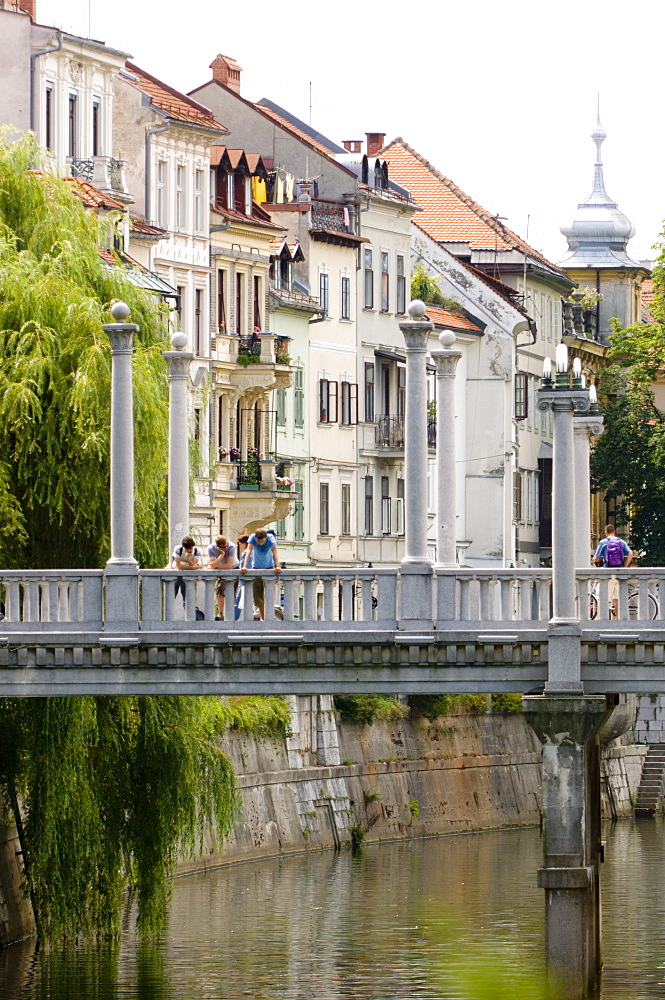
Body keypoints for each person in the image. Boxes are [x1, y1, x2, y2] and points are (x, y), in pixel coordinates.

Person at [241, 528, 281, 620]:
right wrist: (245, 566)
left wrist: (277, 566)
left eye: (263, 541)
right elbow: (248, 551)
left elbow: (274, 551)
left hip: (270, 567)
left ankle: (270, 617)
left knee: (270, 594)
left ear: (265, 538)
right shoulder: (252, 537)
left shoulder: (270, 538)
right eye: (259, 541)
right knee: (258, 596)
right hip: (256, 567)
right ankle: (263, 619)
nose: (261, 543)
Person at [593, 524, 632, 617]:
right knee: (618, 598)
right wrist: (625, 566)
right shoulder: (621, 542)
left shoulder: (603, 542)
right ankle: (618, 619)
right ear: (614, 532)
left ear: (606, 533)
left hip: (608, 573)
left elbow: (597, 558)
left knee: (603, 597)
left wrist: (594, 559)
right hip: (619, 572)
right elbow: (630, 554)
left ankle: (603, 620)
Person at [207, 535, 239, 619]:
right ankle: (221, 613)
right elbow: (212, 564)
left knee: (231, 592)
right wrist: (222, 555)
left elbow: (229, 565)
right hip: (220, 571)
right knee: (219, 591)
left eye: (226, 546)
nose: (225, 548)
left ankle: (231, 613)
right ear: (217, 546)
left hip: (234, 569)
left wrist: (216, 567)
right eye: (223, 547)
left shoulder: (231, 546)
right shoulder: (211, 548)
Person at [172, 536, 202, 603]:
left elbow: (193, 564)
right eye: (187, 549)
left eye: (190, 548)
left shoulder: (197, 551)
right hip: (176, 576)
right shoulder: (178, 549)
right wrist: (191, 568)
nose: (189, 550)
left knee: (188, 600)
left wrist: (188, 558)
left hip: (188, 577)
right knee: (171, 598)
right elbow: (178, 565)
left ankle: (188, 613)